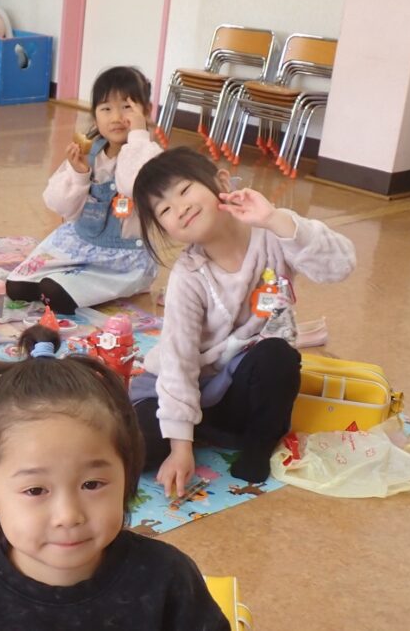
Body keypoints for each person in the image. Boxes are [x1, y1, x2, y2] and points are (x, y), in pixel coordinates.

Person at [0, 325, 228, 630]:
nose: (69, 516)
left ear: (126, 474)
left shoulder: (166, 577)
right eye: (35, 490)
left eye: (92, 484)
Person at [129, 147, 356, 496]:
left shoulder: (273, 234)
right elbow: (179, 362)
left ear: (222, 182)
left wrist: (276, 219)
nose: (180, 208)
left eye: (184, 190)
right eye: (165, 210)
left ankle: (255, 446)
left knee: (277, 355)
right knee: (139, 448)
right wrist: (180, 447)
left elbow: (340, 266)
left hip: (240, 388)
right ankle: (192, 432)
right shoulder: (188, 276)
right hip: (190, 386)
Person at [7, 66, 162, 314]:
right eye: (106, 109)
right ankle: (59, 285)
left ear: (146, 110)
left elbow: (131, 184)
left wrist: (138, 135)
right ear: (95, 115)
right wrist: (79, 174)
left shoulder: (148, 154)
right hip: (79, 245)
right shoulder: (91, 151)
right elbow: (59, 205)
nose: (116, 117)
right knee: (15, 286)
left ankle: (64, 288)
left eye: (127, 107)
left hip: (120, 261)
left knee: (56, 293)